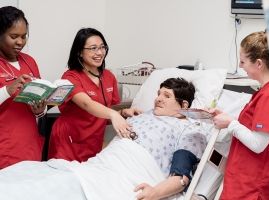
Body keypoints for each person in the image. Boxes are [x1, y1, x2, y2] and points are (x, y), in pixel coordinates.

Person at [0, 77, 210, 200]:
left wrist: (154, 192)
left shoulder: (189, 129)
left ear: (184, 106)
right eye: (158, 93)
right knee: (29, 173)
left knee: (51, 188)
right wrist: (125, 114)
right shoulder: (143, 114)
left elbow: (181, 177)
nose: (157, 98)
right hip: (97, 166)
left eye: (166, 96)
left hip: (126, 175)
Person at [48, 28, 139, 162]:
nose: (99, 52)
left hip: (93, 143)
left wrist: (124, 112)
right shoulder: (71, 77)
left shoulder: (109, 77)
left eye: (102, 47)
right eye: (93, 48)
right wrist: (114, 115)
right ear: (79, 52)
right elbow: (87, 104)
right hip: (68, 142)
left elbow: (104, 113)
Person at [211, 31, 269, 200]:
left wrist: (230, 124)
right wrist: (229, 119)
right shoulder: (264, 92)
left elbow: (259, 143)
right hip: (242, 179)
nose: (240, 66)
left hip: (252, 184)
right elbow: (252, 128)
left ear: (258, 64)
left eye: (242, 61)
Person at [0, 6, 46, 169]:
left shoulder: (29, 61)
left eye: (24, 36)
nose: (20, 42)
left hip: (29, 142)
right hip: (4, 146)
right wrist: (7, 90)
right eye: (13, 36)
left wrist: (40, 109)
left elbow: (38, 107)